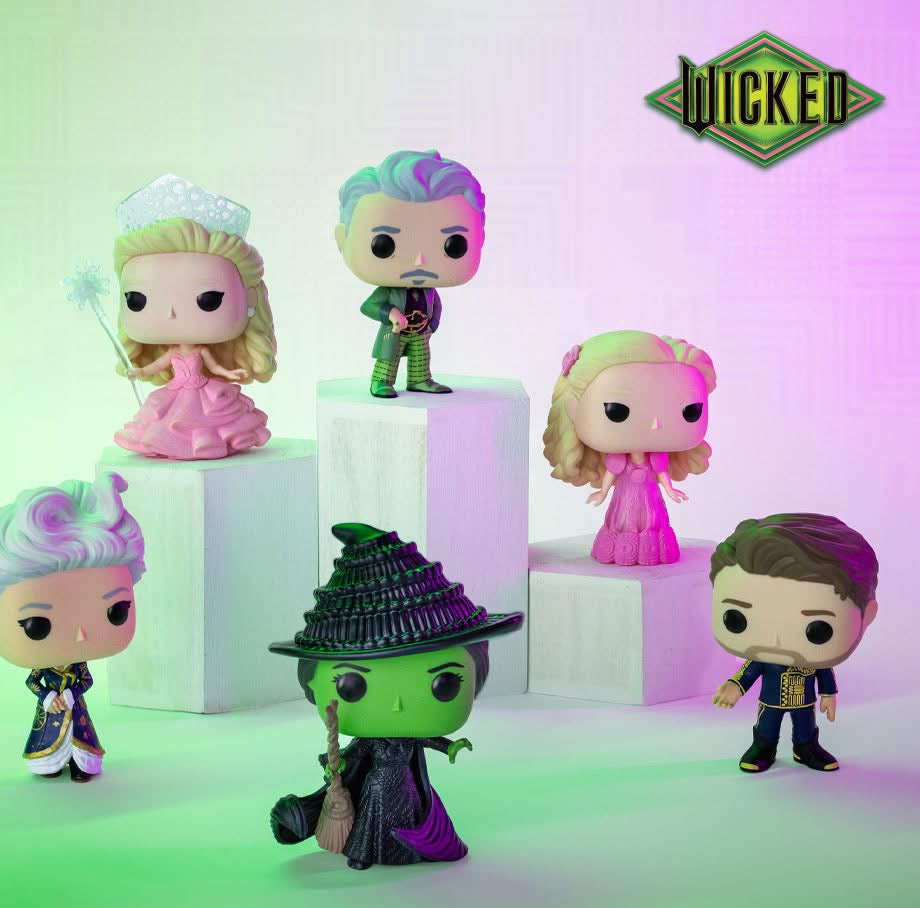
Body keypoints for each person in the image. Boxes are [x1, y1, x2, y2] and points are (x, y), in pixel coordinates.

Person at [269, 523, 523, 869]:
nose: (397, 705)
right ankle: (362, 853)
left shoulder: (407, 741)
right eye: (352, 686)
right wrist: (337, 764)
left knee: (406, 820)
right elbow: (353, 755)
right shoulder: (373, 744)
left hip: (406, 790)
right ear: (312, 684)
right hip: (376, 786)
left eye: (445, 683)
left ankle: (403, 849)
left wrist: (450, 746)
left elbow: (428, 740)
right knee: (370, 822)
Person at [0, 474, 145, 781]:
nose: (81, 635)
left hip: (73, 707)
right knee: (48, 738)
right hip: (51, 709)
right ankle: (51, 763)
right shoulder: (45, 669)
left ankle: (81, 764)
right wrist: (47, 698)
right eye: (37, 626)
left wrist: (70, 696)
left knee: (82, 739)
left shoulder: (76, 667)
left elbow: (86, 680)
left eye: (116, 611)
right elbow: (33, 682)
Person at [112, 174, 277, 459]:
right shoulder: (173, 352)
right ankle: (173, 443)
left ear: (249, 298)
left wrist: (229, 374)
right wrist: (140, 371)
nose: (171, 314)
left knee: (205, 424)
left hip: (203, 393)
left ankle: (205, 443)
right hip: (177, 393)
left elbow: (213, 365)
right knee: (166, 422)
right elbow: (159, 365)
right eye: (137, 300)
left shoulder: (201, 351)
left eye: (207, 299)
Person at [709, 513, 878, 773]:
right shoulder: (764, 659)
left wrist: (828, 695)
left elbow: (825, 674)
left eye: (818, 630)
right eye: (736, 619)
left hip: (804, 701)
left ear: (867, 615)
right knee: (767, 726)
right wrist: (735, 686)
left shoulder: (815, 662)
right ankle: (763, 747)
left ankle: (806, 748)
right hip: (771, 700)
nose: (776, 642)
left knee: (805, 727)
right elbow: (750, 671)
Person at [543, 330, 716, 565]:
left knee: (651, 523)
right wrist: (603, 492)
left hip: (650, 498)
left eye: (690, 411)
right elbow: (612, 474)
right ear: (573, 408)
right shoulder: (619, 461)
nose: (655, 425)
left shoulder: (655, 458)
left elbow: (662, 474)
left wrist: (670, 490)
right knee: (623, 520)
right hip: (626, 496)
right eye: (618, 411)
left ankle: (652, 549)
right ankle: (621, 547)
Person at [335, 150, 485, 398]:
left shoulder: (429, 291)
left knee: (421, 357)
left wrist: (432, 325)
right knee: (388, 358)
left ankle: (420, 379)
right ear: (343, 240)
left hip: (420, 331)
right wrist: (390, 313)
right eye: (384, 245)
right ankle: (381, 381)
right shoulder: (388, 291)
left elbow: (436, 305)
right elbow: (369, 306)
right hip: (394, 331)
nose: (420, 261)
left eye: (453, 244)